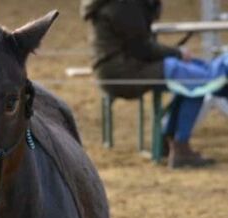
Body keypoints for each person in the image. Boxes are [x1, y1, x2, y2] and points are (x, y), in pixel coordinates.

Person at [81, 0, 228, 168]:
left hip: (118, 67)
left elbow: (141, 45)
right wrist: (177, 53)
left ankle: (169, 140)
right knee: (194, 81)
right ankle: (179, 147)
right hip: (122, 72)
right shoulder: (123, 5)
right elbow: (142, 48)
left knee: (190, 74)